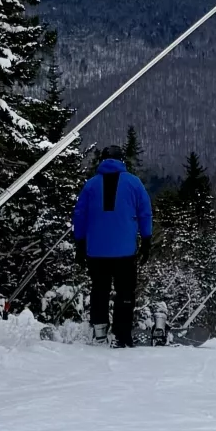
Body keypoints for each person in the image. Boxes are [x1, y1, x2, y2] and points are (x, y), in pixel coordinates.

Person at [71, 145, 153, 346]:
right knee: (125, 291)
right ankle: (121, 334)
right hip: (125, 250)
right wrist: (147, 240)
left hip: (96, 251)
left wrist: (80, 244)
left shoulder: (90, 185)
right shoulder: (134, 183)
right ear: (121, 161)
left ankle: (99, 332)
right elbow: (145, 212)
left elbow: (79, 216)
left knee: (100, 290)